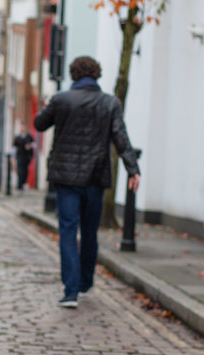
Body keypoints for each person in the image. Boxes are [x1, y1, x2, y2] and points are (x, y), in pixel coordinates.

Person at [34, 55, 140, 308]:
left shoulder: (61, 100)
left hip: (66, 177)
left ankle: (70, 291)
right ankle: (85, 281)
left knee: (68, 231)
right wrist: (133, 169)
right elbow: (121, 138)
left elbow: (39, 124)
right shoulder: (110, 103)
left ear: (74, 74)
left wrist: (50, 107)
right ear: (97, 74)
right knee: (90, 232)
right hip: (95, 177)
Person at [13, 126, 34, 191]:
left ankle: (23, 183)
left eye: (23, 127)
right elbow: (14, 147)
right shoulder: (17, 137)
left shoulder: (29, 137)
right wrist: (12, 157)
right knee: (20, 170)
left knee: (25, 171)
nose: (22, 128)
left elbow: (34, 144)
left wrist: (29, 146)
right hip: (19, 156)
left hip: (27, 157)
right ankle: (19, 186)